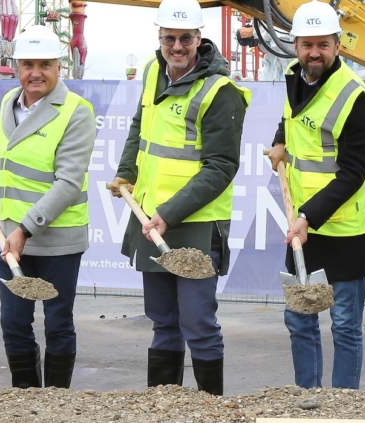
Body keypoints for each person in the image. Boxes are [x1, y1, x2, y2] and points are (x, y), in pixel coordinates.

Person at [106, 0, 250, 395]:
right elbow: (141, 124)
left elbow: (221, 167)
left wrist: (168, 213)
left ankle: (209, 410)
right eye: (169, 38)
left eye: (185, 39)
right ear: (160, 38)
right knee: (163, 322)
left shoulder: (221, 92)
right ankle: (163, 406)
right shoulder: (154, 71)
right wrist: (126, 171)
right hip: (152, 221)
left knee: (198, 323)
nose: (177, 47)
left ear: (199, 39)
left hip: (197, 227)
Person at [266, 0, 365, 390]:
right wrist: (280, 141)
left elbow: (352, 173)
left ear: (338, 45)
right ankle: (308, 399)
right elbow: (291, 119)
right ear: (295, 45)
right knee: (300, 319)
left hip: (347, 230)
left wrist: (307, 218)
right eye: (306, 45)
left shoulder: (357, 98)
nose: (313, 53)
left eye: (322, 44)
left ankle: (344, 407)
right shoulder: (293, 76)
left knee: (346, 325)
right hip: (304, 226)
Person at [0, 25, 95, 389]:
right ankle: (26, 401)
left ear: (59, 67)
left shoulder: (77, 111)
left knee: (58, 323)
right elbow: (6, 166)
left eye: (45, 64)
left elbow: (68, 183)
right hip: (12, 241)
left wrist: (24, 228)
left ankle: (57, 402)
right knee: (13, 324)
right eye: (27, 64)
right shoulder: (8, 104)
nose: (35, 73)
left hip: (55, 240)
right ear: (16, 66)